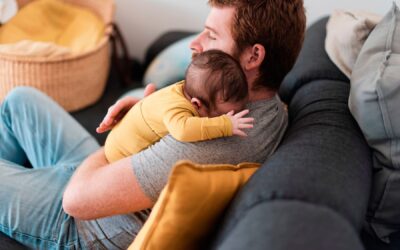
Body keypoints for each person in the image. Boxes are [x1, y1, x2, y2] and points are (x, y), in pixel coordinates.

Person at [0, 0, 306, 249]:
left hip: (83, 225)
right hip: (112, 179)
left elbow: (76, 201)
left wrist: (121, 134)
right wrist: (144, 115)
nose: (196, 45)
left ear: (254, 55)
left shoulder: (207, 138)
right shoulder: (271, 108)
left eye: (212, 36)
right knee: (19, 100)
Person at [105, 49, 254, 163]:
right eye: (222, 115)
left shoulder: (183, 89)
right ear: (197, 104)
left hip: (117, 138)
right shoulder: (178, 109)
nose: (230, 117)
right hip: (119, 154)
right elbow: (183, 130)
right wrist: (225, 125)